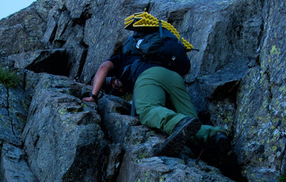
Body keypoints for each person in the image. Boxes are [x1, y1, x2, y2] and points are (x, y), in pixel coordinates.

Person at [83, 12, 232, 161]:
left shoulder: (123, 59)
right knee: (193, 125)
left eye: (114, 84)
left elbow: (103, 67)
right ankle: (216, 136)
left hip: (149, 75)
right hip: (174, 78)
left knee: (147, 111)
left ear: (114, 77)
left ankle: (179, 122)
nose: (117, 88)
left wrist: (93, 96)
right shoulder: (145, 56)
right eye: (116, 89)